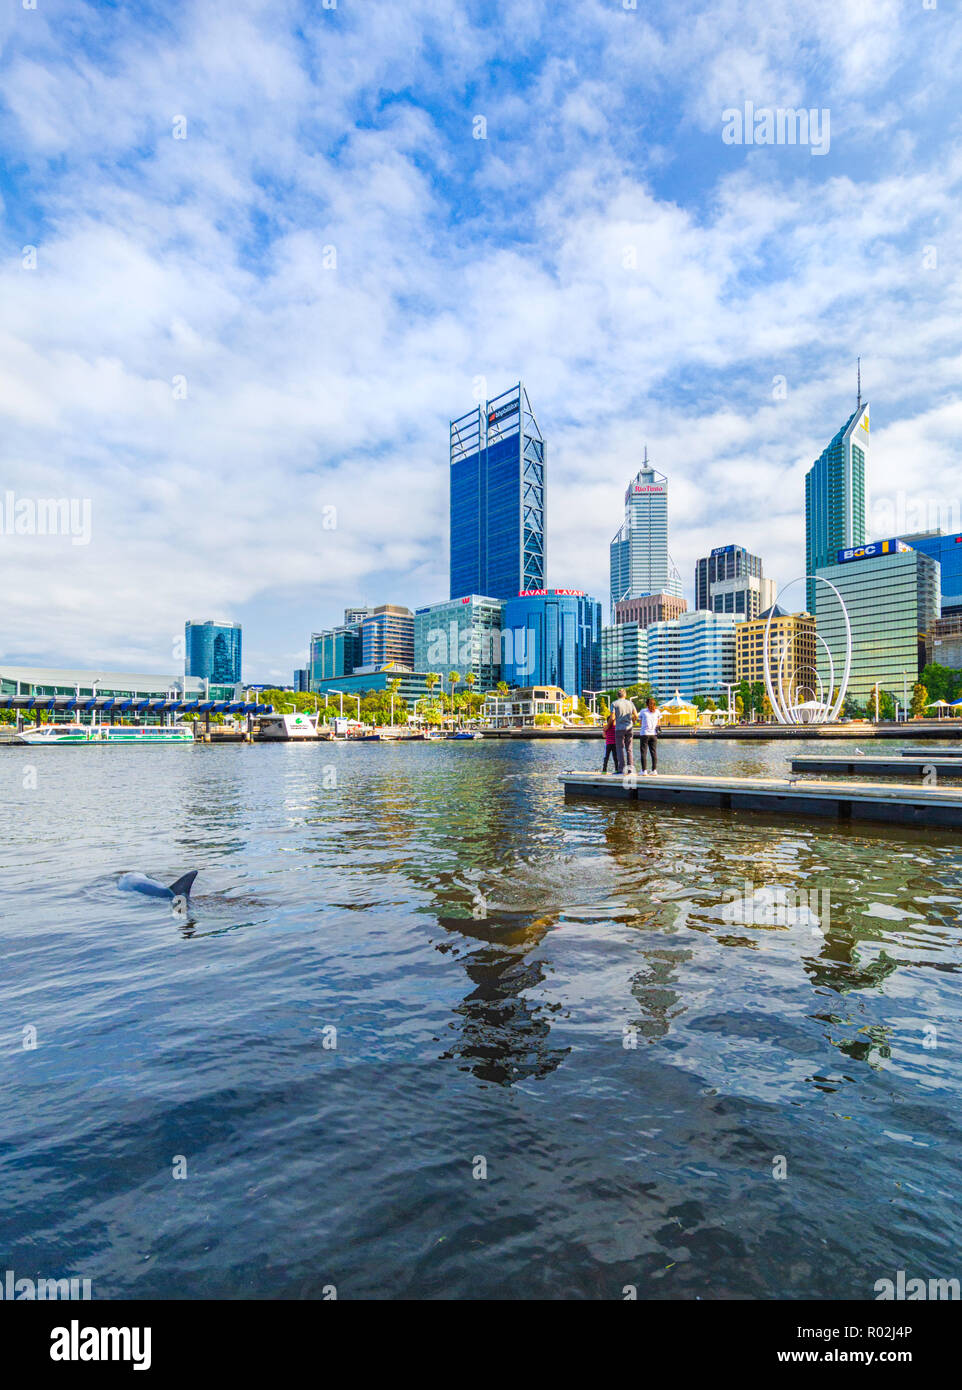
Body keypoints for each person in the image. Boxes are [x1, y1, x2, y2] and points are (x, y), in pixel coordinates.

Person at [611, 688, 638, 774]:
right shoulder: (630, 703)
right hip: (629, 728)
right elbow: (636, 715)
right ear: (625, 695)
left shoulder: (614, 703)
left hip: (619, 728)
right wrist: (632, 721)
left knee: (620, 749)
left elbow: (612, 717)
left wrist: (609, 725)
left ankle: (621, 769)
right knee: (629, 749)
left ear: (617, 695)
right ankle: (630, 769)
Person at [639, 696, 660, 774]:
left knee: (644, 752)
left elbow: (640, 723)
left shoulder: (643, 711)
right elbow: (658, 723)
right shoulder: (657, 712)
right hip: (654, 734)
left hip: (644, 734)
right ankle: (654, 770)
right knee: (653, 752)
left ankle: (644, 770)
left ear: (646, 704)